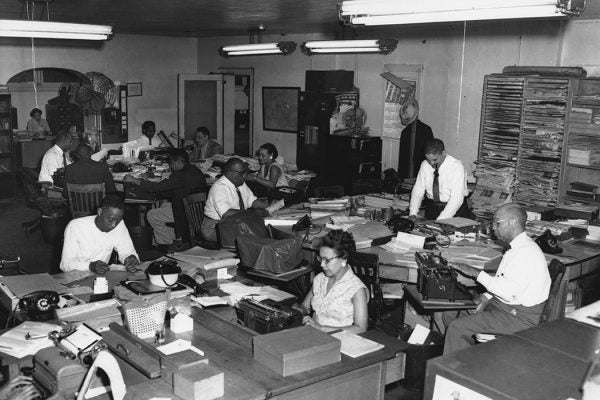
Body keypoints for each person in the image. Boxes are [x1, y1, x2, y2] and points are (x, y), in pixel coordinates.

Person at [443, 203, 551, 354]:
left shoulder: (525, 253)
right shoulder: (518, 247)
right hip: (507, 305)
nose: (493, 227)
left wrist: (476, 273)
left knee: (457, 327)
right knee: (450, 313)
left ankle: (455, 371)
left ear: (512, 222)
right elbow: (505, 280)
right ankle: (466, 357)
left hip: (520, 316)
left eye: (497, 223)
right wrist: (486, 297)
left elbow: (509, 292)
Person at [123, 149, 207, 252]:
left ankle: (167, 245)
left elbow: (159, 188)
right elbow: (169, 189)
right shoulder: (194, 170)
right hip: (197, 212)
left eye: (171, 163)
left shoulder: (180, 175)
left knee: (151, 215)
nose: (171, 167)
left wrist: (136, 181)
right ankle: (177, 238)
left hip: (186, 212)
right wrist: (149, 183)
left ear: (178, 162)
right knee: (164, 206)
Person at [296, 230, 368, 334]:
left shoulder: (356, 289)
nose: (321, 265)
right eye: (320, 258)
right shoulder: (320, 279)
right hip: (314, 334)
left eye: (327, 260)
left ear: (344, 259)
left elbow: (361, 328)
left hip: (340, 340)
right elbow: (304, 306)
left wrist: (321, 328)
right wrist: (297, 311)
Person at [60, 194, 139, 274]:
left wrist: (130, 258)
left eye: (118, 220)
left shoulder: (119, 225)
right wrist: (89, 266)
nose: (114, 225)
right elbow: (66, 264)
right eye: (111, 219)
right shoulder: (76, 226)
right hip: (75, 276)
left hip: (100, 277)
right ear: (100, 212)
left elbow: (127, 251)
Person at [202, 157, 270, 242]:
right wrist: (253, 213)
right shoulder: (220, 187)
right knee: (253, 238)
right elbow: (226, 213)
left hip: (234, 222)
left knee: (264, 231)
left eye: (245, 173)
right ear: (230, 173)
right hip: (214, 227)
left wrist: (272, 206)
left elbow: (252, 201)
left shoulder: (240, 183)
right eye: (242, 173)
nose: (245, 176)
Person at [408, 138, 470, 220]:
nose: (431, 163)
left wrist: (441, 220)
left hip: (454, 209)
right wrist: (413, 213)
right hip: (433, 207)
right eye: (428, 160)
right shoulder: (425, 165)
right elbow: (418, 190)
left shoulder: (456, 167)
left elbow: (456, 198)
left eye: (435, 160)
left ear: (443, 153)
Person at [397, 98, 434, 182]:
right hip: (407, 174)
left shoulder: (426, 130)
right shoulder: (405, 132)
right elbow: (402, 156)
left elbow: (432, 152)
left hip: (421, 172)